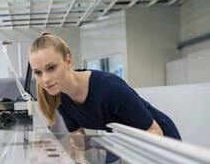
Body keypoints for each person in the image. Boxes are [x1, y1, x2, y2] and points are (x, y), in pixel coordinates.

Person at [29, 32, 181, 140]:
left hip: (159, 138)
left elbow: (155, 131)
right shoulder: (59, 96)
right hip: (121, 140)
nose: (46, 79)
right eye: (38, 72)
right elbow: (78, 137)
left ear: (68, 61)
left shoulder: (109, 88)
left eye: (51, 68)